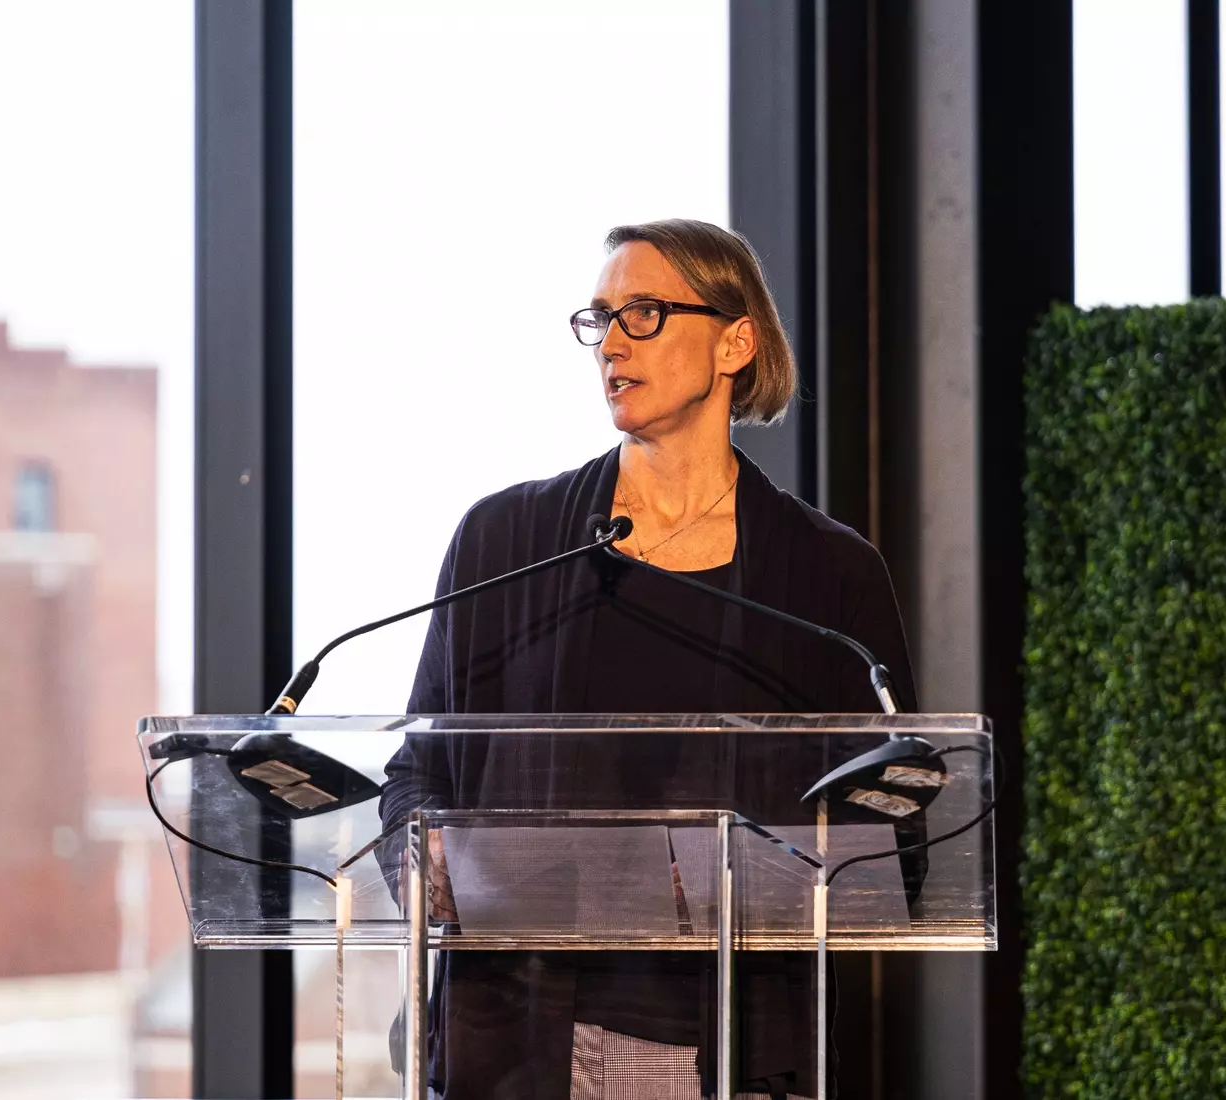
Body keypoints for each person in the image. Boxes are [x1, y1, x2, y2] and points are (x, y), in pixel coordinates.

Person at [379, 218, 917, 1100]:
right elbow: (416, 771)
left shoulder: (828, 575)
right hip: (510, 1038)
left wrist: (743, 873)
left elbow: (895, 824)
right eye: (600, 319)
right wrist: (418, 860)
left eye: (645, 314)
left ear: (735, 341)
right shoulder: (506, 540)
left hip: (714, 1046)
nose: (610, 344)